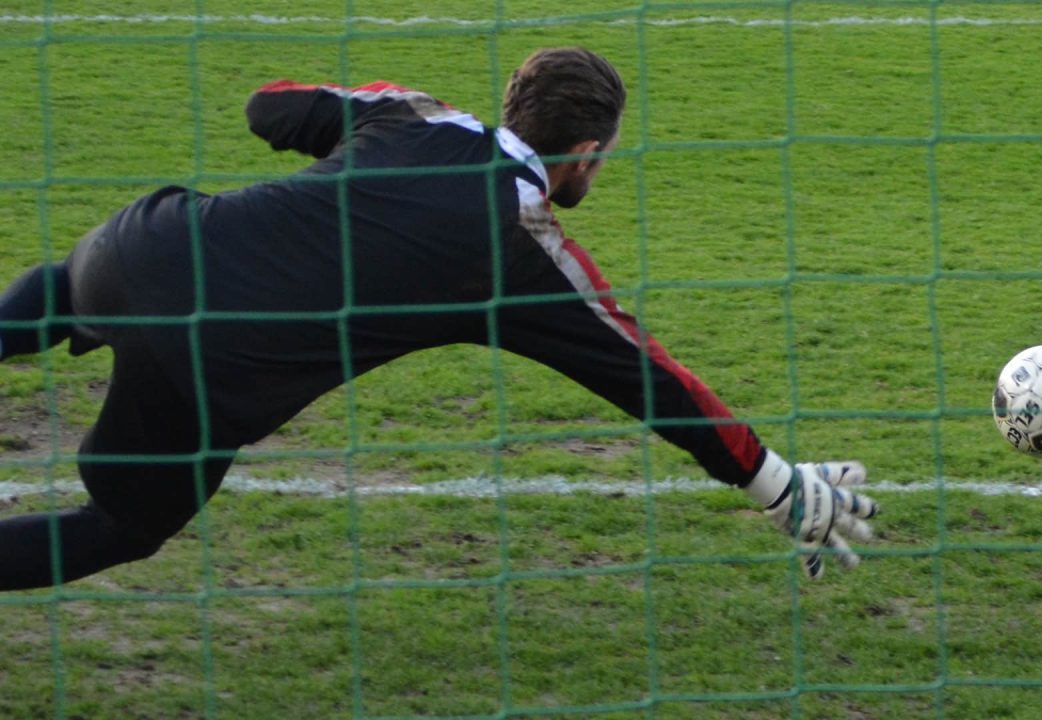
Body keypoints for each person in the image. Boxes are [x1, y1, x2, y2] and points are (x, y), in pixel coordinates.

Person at [0, 47, 878, 591]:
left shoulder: (411, 114)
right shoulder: (523, 250)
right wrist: (775, 484)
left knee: (62, 293)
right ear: (584, 153)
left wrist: (365, 125)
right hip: (209, 359)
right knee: (122, 527)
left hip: (136, 245)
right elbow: (649, 379)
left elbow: (268, 105)